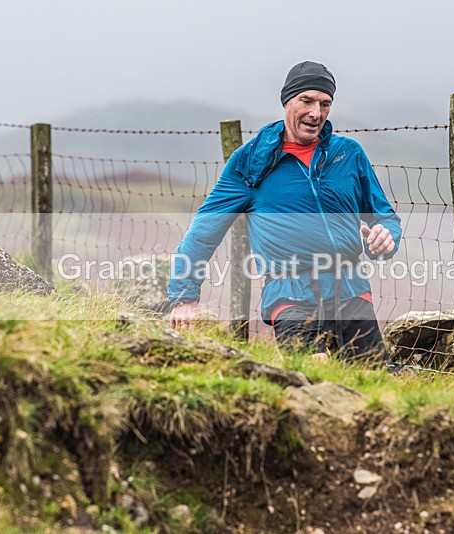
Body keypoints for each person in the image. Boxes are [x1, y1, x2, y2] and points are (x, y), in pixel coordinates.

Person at [167, 61, 402, 363]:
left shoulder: (349, 154)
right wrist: (185, 296)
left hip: (350, 289)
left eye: (325, 103)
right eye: (307, 100)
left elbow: (383, 217)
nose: (316, 113)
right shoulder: (251, 162)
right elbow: (204, 232)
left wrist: (387, 237)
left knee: (372, 380)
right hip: (290, 293)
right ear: (287, 101)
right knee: (311, 377)